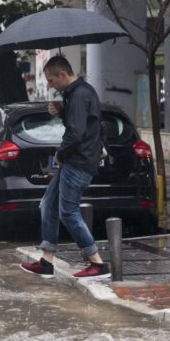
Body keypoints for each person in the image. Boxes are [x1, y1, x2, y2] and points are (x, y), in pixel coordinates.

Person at [20, 56, 110, 280]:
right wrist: (61, 111)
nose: (50, 85)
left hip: (78, 162)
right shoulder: (76, 94)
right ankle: (47, 261)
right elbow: (81, 123)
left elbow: (76, 134)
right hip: (75, 160)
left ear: (63, 75)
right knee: (48, 204)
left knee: (68, 212)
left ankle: (97, 264)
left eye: (51, 80)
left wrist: (60, 154)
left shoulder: (79, 95)